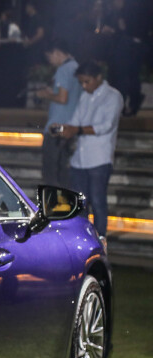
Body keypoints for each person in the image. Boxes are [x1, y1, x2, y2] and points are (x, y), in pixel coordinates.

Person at [58, 61, 123, 237]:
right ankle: (83, 238)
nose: (84, 86)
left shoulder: (112, 96)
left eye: (86, 81)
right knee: (80, 203)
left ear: (98, 78)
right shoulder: (85, 96)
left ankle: (101, 240)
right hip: (79, 159)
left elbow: (106, 126)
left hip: (99, 159)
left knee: (98, 201)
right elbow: (76, 121)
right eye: (81, 82)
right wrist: (65, 129)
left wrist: (76, 130)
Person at [37, 39, 81, 189]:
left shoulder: (63, 70)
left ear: (57, 53)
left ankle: (53, 207)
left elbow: (62, 98)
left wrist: (46, 95)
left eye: (50, 57)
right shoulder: (77, 67)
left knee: (50, 170)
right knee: (63, 170)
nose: (50, 61)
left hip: (56, 127)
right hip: (70, 126)